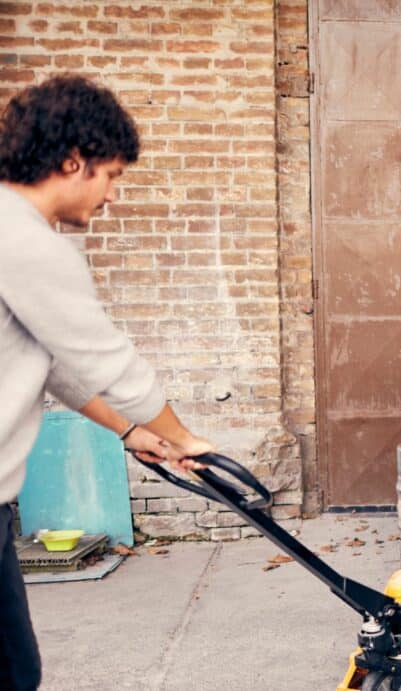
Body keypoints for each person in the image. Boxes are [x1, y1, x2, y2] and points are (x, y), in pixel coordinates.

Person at [0, 75, 213, 690]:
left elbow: (59, 364)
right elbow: (108, 363)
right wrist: (185, 438)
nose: (113, 194)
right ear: (73, 161)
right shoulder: (28, 243)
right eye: (112, 174)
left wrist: (131, 432)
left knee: (16, 670)